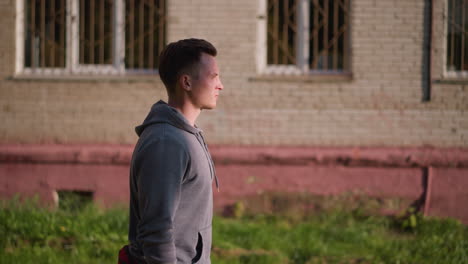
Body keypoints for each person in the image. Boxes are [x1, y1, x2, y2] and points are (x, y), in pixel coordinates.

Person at [119, 38, 223, 264]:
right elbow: (157, 230)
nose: (220, 85)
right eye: (213, 77)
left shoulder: (184, 135)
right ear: (186, 82)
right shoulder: (166, 143)